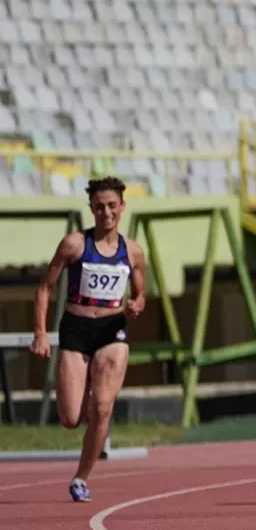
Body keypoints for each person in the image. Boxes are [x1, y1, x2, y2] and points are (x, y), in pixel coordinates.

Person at [29, 177, 147, 502]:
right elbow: (43, 290)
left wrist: (137, 304)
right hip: (76, 330)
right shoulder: (74, 244)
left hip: (112, 330)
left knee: (103, 408)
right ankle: (88, 400)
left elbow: (140, 294)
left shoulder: (132, 251)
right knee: (70, 419)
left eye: (112, 205)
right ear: (91, 208)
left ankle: (81, 478)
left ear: (122, 207)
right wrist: (41, 333)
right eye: (99, 206)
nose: (106, 212)